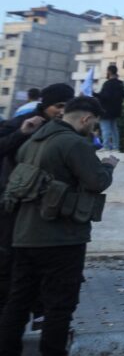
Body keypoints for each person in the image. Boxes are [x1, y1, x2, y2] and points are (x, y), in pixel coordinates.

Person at [0, 97, 117, 356]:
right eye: (92, 122)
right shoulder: (73, 144)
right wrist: (108, 166)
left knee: (17, 305)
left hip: (23, 235)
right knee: (59, 306)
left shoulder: (33, 141)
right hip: (60, 237)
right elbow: (96, 181)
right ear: (84, 119)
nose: (92, 127)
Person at [0, 83, 73, 319]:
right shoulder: (24, 123)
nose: (61, 111)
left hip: (44, 204)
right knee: (10, 258)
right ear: (45, 105)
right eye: (57, 106)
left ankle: (36, 309)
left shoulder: (65, 128)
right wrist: (22, 132)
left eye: (66, 106)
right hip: (14, 202)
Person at [96, 65, 124, 152]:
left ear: (109, 71)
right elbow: (123, 95)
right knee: (114, 129)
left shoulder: (107, 84)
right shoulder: (120, 84)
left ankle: (106, 146)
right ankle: (116, 147)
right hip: (116, 110)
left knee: (105, 129)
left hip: (106, 110)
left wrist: (94, 94)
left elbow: (104, 97)